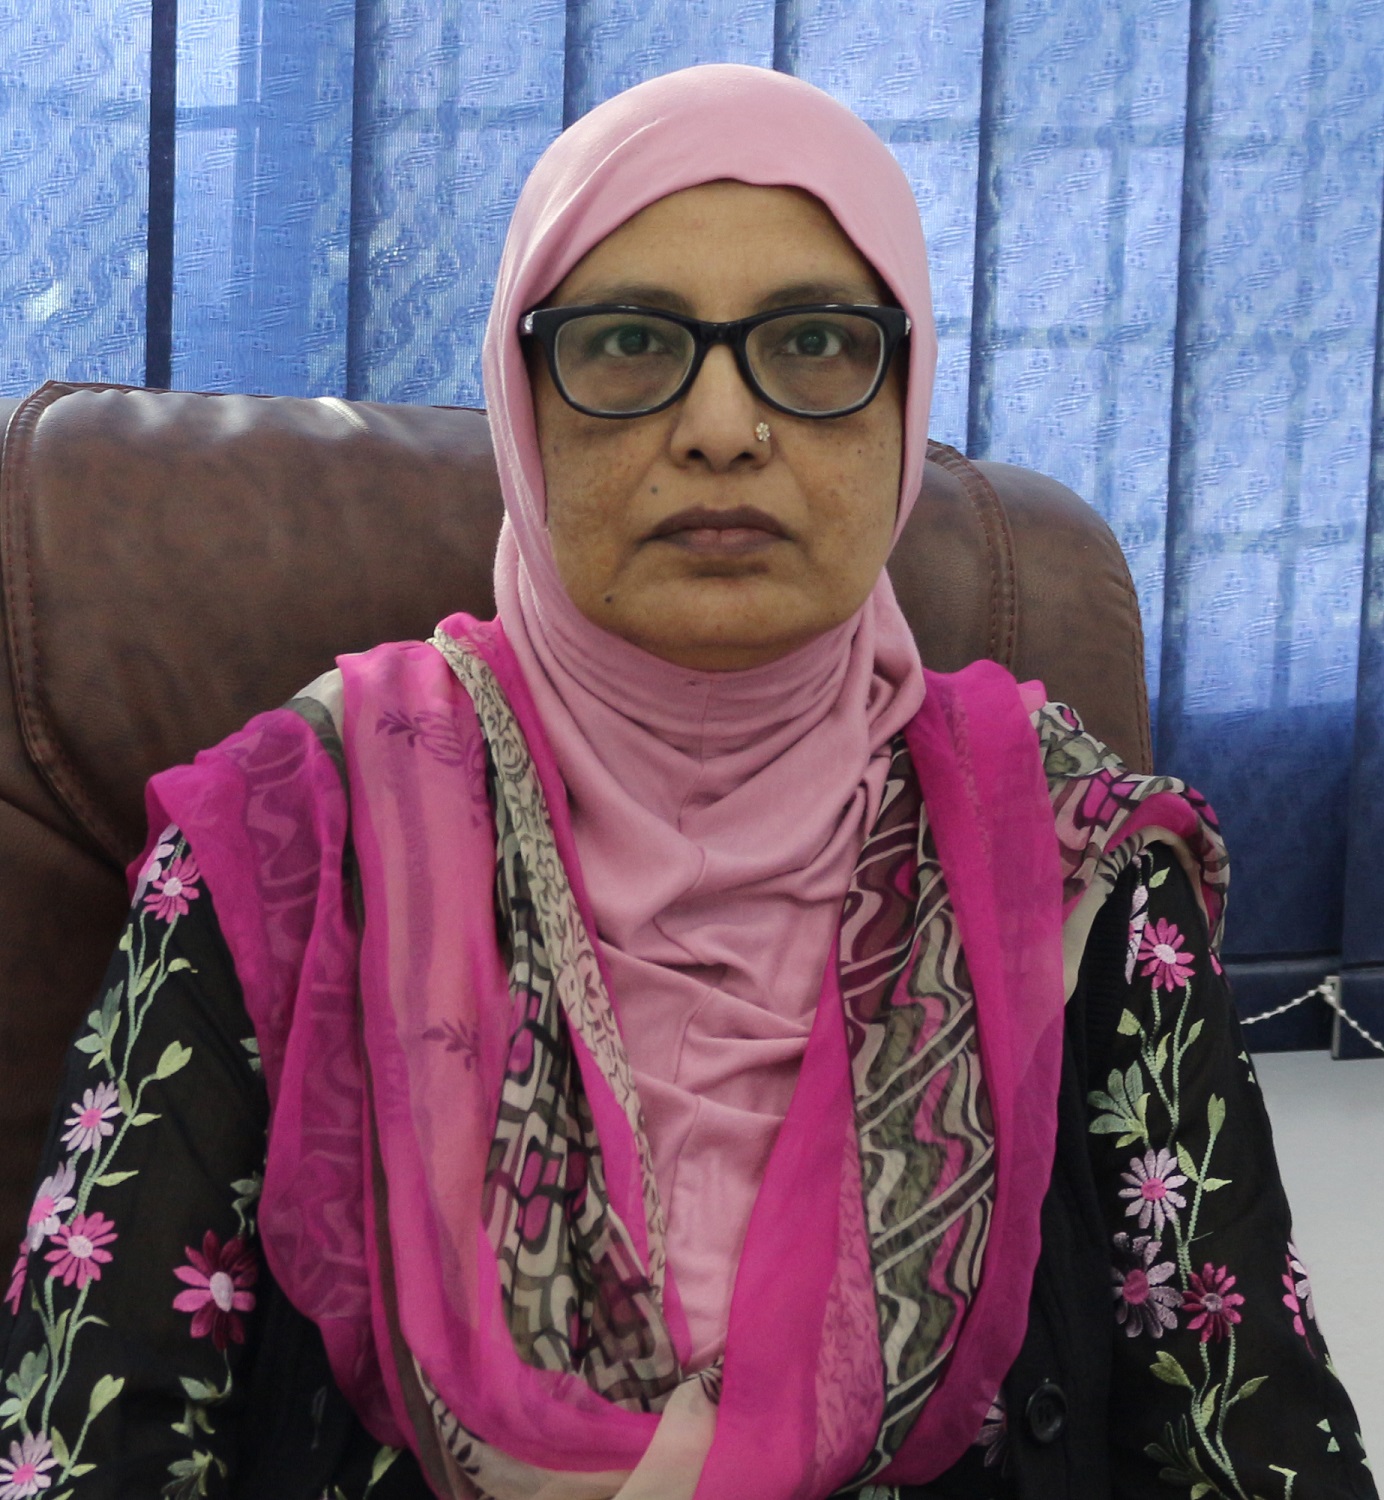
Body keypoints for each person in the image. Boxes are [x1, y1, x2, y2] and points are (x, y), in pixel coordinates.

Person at [0, 63, 1373, 1500]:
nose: (723, 425)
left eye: (817, 342)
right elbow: (92, 1446)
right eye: (631, 342)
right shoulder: (295, 836)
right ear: (523, 403)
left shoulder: (1073, 856)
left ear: (904, 400)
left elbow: (1256, 1442)